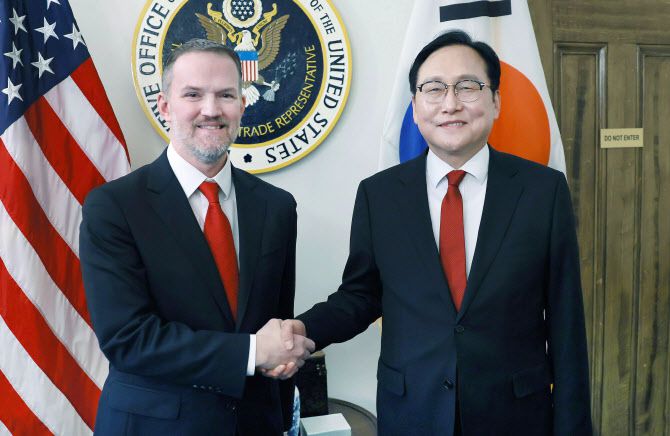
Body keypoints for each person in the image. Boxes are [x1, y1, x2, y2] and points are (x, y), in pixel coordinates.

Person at [275, 30, 592, 435]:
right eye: (434, 88)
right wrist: (304, 330)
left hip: (515, 414)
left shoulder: (542, 191)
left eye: (468, 87)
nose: (450, 103)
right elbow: (361, 295)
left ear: (496, 101)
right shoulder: (380, 195)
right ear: (415, 106)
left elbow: (566, 324)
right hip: (413, 411)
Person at [80, 39, 313, 436]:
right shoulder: (114, 207)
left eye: (225, 95)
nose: (211, 109)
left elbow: (275, 323)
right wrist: (253, 352)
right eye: (193, 95)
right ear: (165, 106)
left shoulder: (276, 206)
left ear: (242, 105)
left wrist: (283, 359)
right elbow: (127, 339)